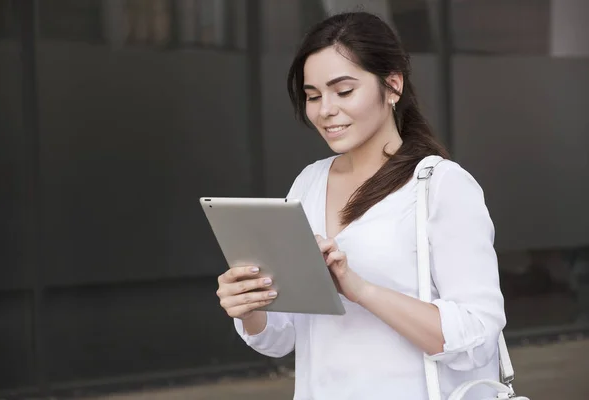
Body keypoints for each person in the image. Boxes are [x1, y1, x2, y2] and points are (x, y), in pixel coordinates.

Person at [215, 11, 506, 400]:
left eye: (344, 91)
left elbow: (477, 337)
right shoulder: (309, 183)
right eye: (313, 96)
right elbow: (281, 337)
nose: (325, 110)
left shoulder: (441, 186)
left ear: (393, 85)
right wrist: (251, 306)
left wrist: (360, 289)